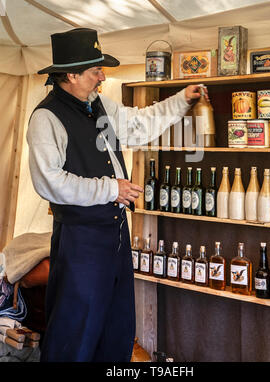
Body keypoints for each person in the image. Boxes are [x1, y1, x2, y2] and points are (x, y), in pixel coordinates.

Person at [26, 27, 206, 362]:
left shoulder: (99, 106)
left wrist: (182, 98)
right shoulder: (46, 118)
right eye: (95, 70)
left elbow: (140, 124)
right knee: (76, 326)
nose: (102, 76)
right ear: (70, 74)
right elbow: (49, 181)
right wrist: (112, 188)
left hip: (116, 233)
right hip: (80, 240)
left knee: (115, 323)